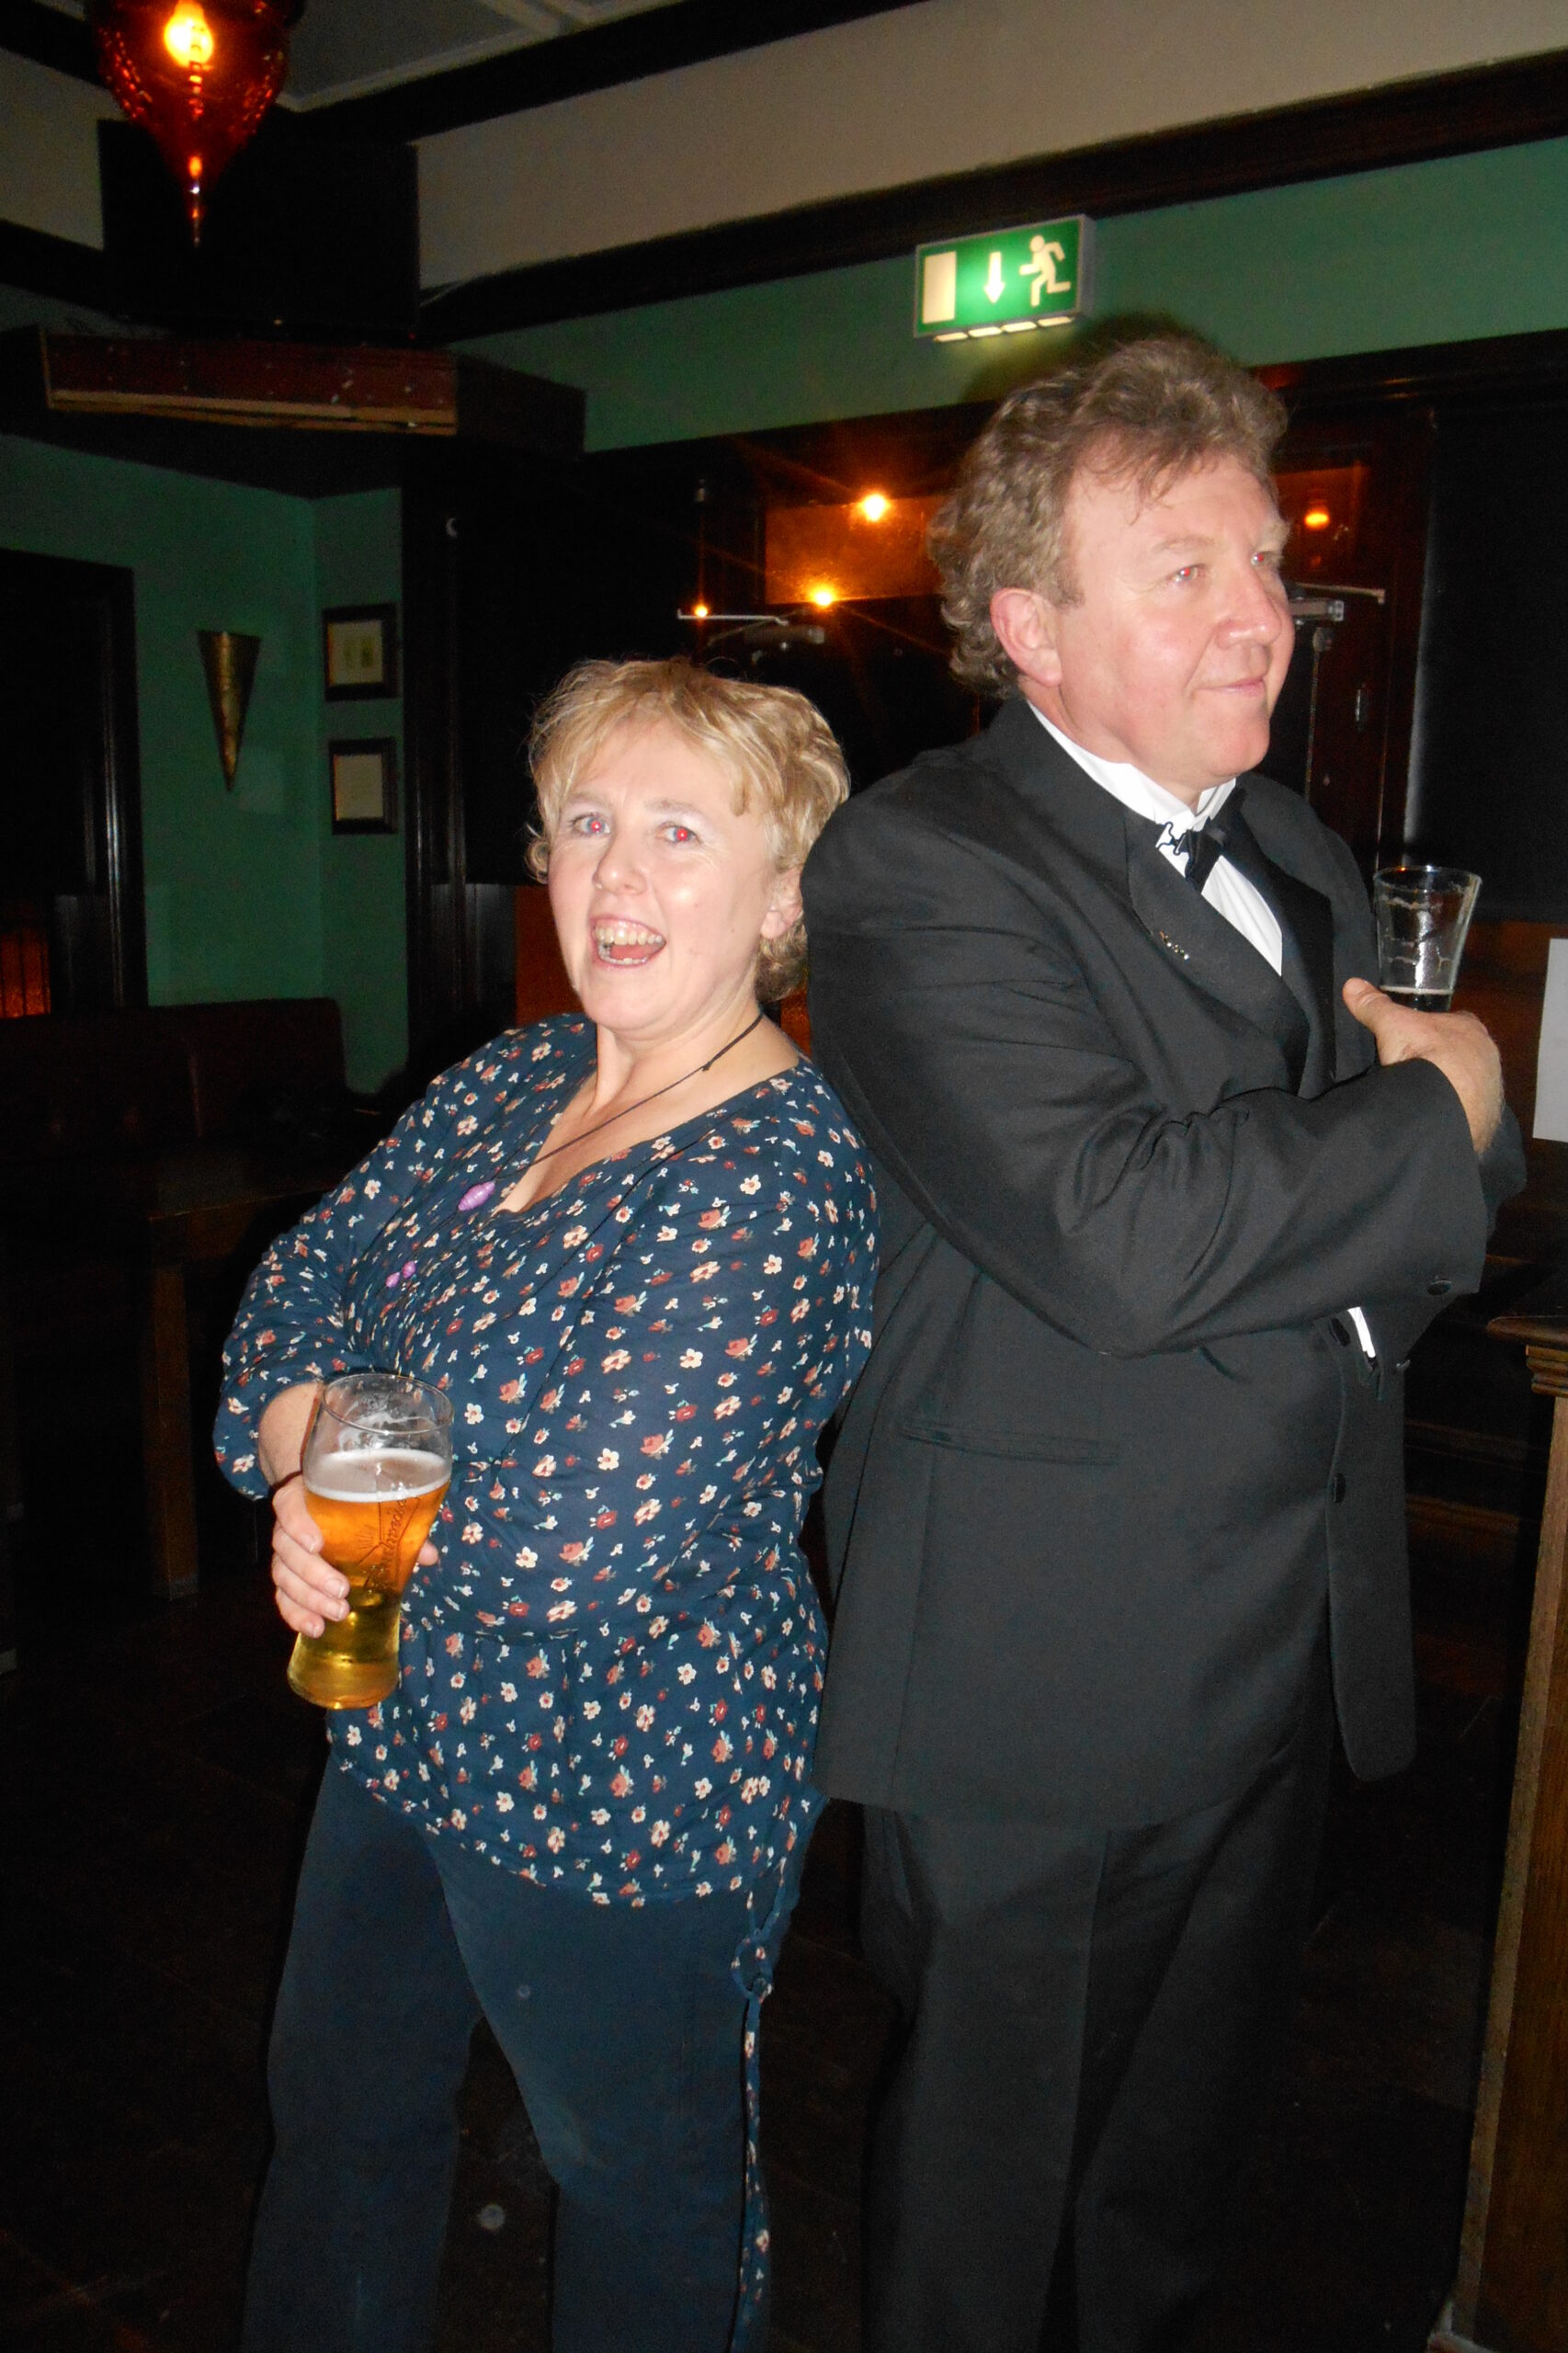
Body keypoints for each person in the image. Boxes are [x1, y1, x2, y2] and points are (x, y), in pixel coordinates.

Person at [800, 330, 1527, 2350]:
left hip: (1282, 1618)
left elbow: (1441, 1188)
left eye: (1270, 562)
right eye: (1186, 569)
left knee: (1177, 2170)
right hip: (1051, 1655)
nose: (1261, 615)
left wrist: (1440, 1139)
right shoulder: (919, 863)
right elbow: (1127, 1236)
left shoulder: (1292, 849)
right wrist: (1443, 1101)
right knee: (992, 2182)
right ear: (1029, 624)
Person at [213, 659, 875, 2353]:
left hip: (632, 1783)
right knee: (341, 2124)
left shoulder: (778, 1175)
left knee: (641, 2195)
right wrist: (306, 1464)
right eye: (586, 826)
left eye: (678, 832)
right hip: (399, 1735)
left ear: (782, 891)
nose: (617, 878)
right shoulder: (511, 1081)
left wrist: (343, 1476)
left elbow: (566, 1544)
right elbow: (294, 1287)